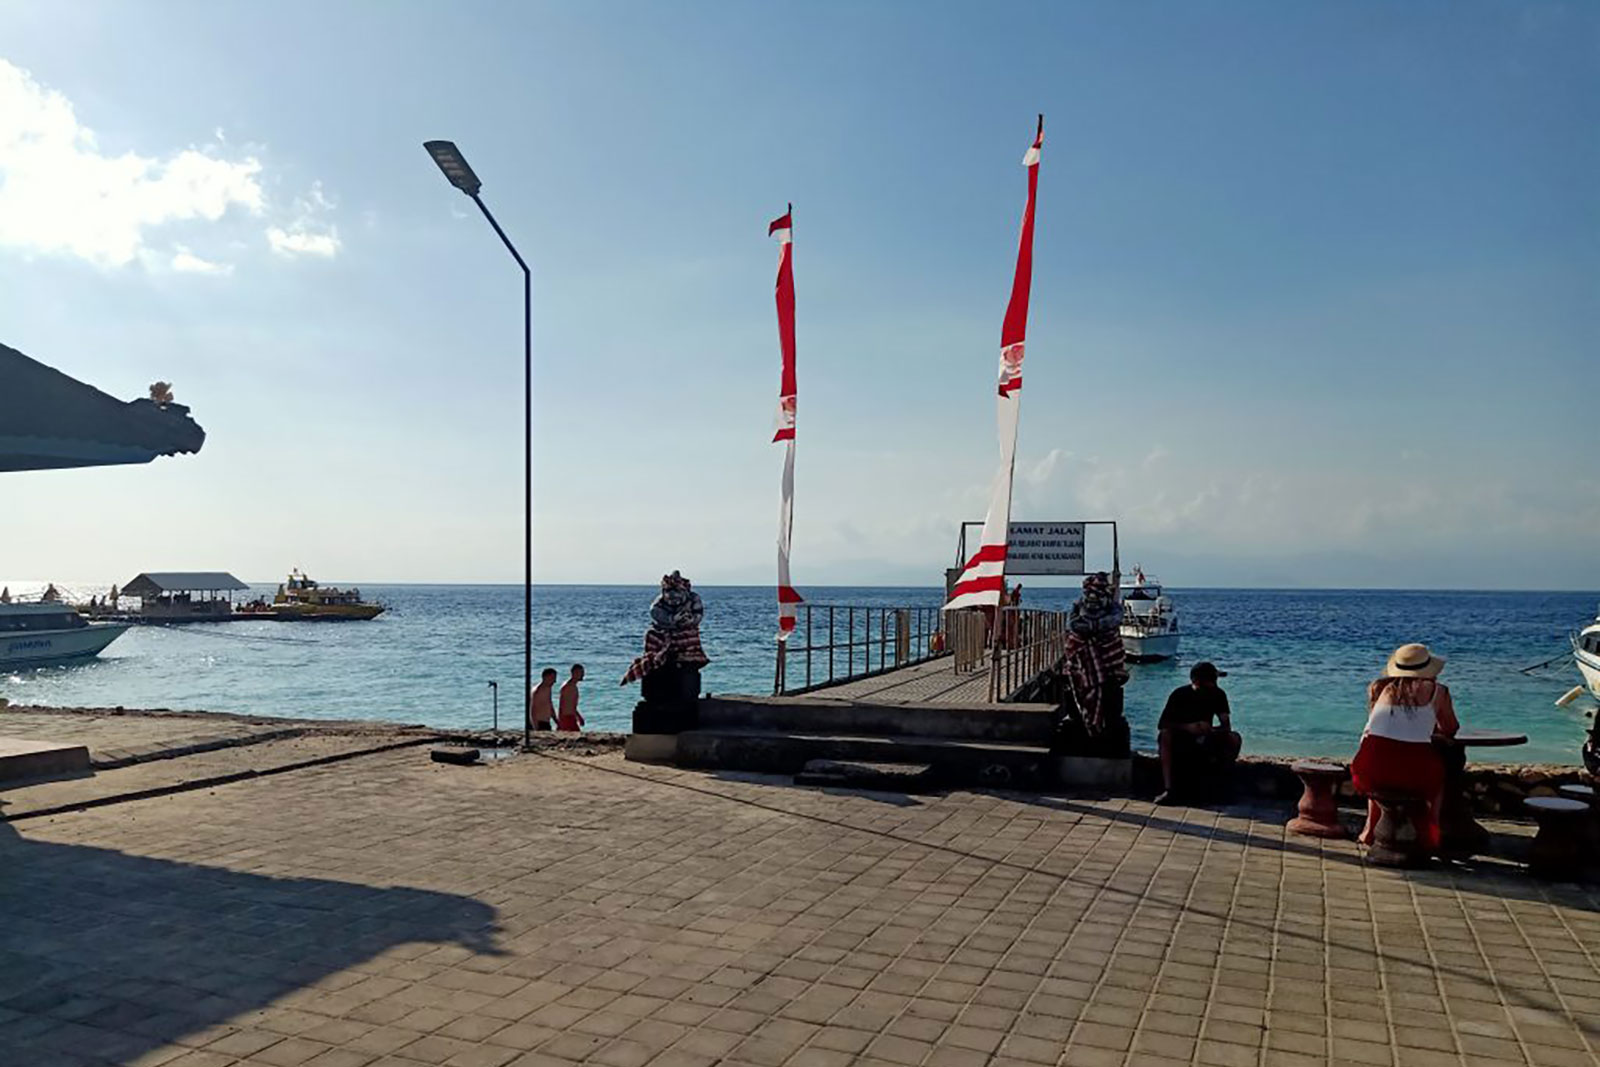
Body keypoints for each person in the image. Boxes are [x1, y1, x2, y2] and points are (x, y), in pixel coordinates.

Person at [1350, 643, 1459, 852]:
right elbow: (1451, 728)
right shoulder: (1439, 691)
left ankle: (1369, 829)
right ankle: (1431, 834)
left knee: (1380, 765)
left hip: (1368, 768)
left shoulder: (1378, 687)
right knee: (1437, 780)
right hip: (1413, 772)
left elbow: (1383, 728)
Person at [1056, 572, 1129, 756]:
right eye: (1091, 591)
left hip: (1107, 654)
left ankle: (1100, 727)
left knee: (1110, 691)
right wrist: (1091, 628)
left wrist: (1094, 626)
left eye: (1099, 590)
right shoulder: (1078, 605)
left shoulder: (1113, 606)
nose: (1094, 596)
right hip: (1081, 652)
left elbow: (1115, 620)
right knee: (1079, 685)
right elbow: (1073, 624)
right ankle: (1086, 720)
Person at [1156, 661, 1242, 804]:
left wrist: (1211, 730)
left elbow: (1226, 726)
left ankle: (1223, 787)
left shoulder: (1218, 694)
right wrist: (1188, 727)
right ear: (1196, 682)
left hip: (1207, 736)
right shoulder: (1179, 695)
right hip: (1183, 736)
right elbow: (1163, 724)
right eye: (1210, 681)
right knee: (1165, 736)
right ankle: (1169, 789)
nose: (1213, 684)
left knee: (1234, 738)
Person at [558, 664, 586, 732]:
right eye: (580, 672)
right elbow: (563, 705)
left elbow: (571, 705)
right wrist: (561, 721)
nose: (583, 675)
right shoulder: (569, 687)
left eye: (583, 672)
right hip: (567, 717)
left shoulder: (572, 686)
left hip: (570, 717)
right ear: (574, 673)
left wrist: (578, 716)